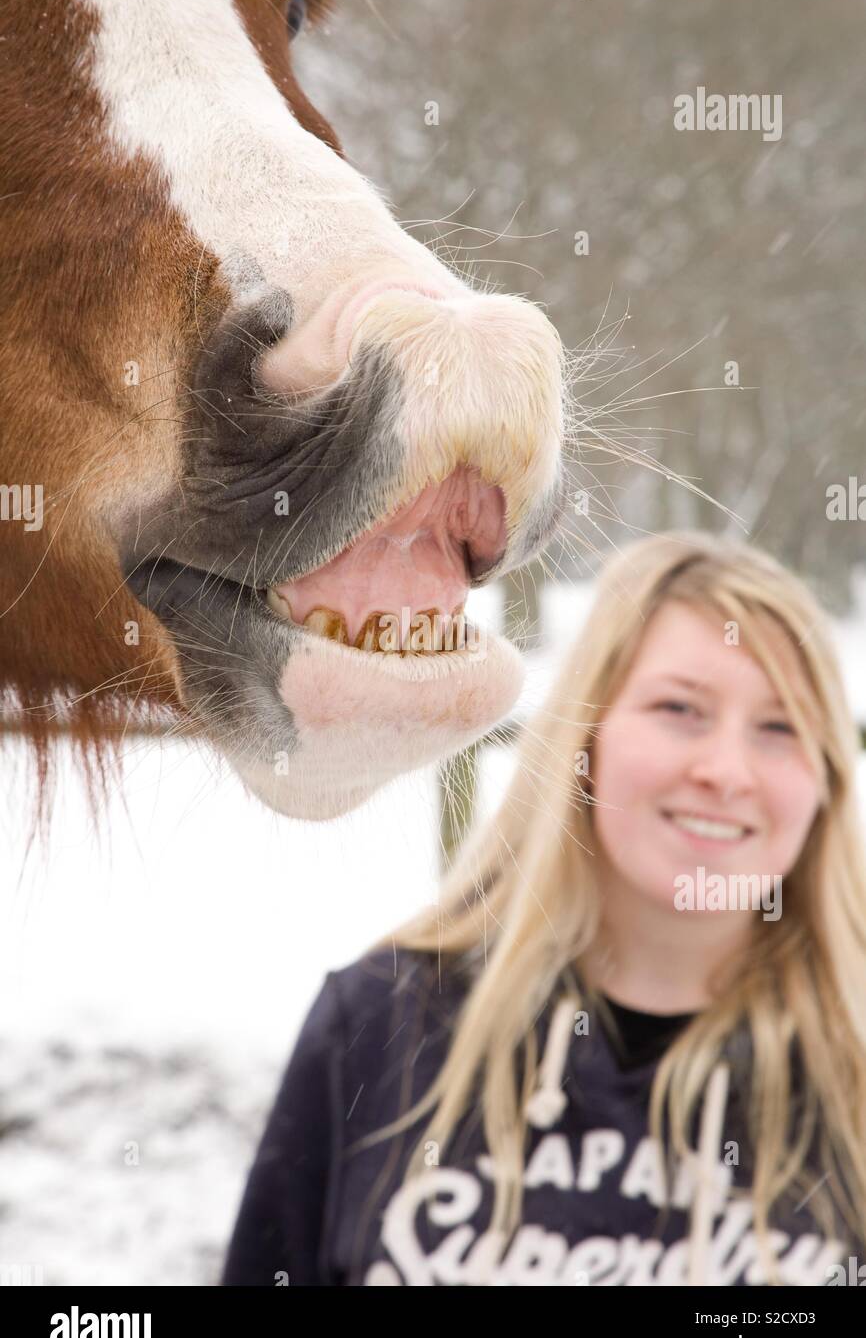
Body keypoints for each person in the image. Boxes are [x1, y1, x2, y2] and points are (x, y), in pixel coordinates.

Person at [221, 531, 866, 1287]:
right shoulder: (377, 1028)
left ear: (825, 780)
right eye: (680, 708)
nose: (726, 771)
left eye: (780, 727)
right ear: (585, 742)